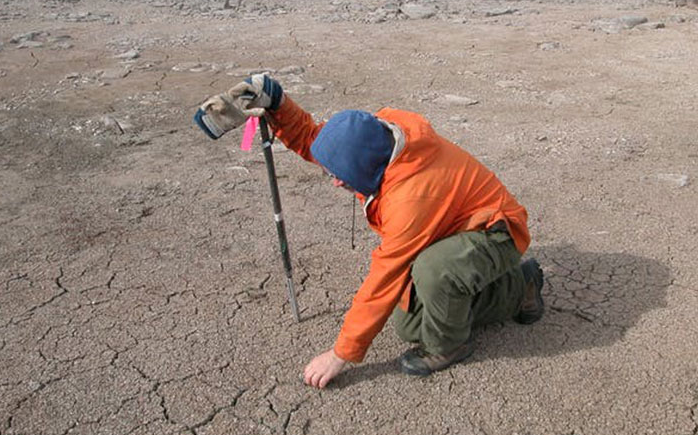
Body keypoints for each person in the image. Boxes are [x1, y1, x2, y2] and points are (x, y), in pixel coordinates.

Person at [221, 74, 545, 388]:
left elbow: (384, 279)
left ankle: (498, 306)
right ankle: (486, 288)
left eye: (341, 175)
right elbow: (319, 143)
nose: (335, 181)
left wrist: (340, 354)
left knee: (433, 273)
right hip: (449, 228)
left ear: (365, 166)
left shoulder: (411, 199)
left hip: (494, 232)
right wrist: (278, 102)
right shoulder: (377, 140)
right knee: (412, 325)